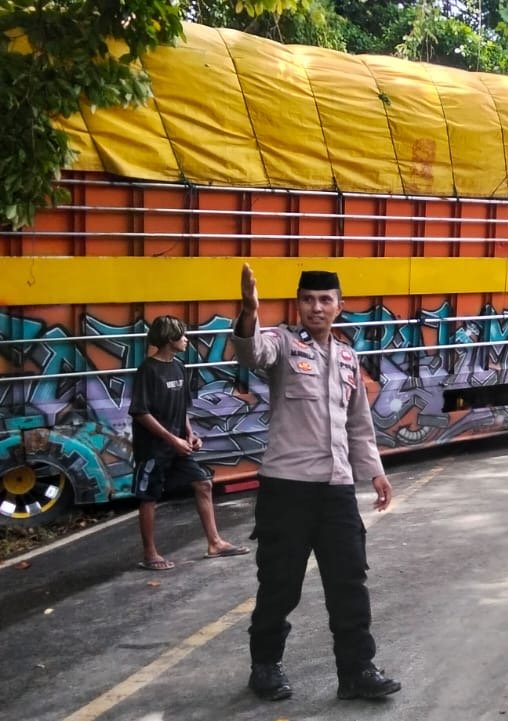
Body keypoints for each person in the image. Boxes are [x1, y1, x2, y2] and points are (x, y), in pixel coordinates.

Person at [233, 265, 400, 702]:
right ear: (298, 304)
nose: (316, 307)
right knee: (280, 584)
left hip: (337, 489)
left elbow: (358, 423)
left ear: (339, 306)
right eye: (308, 299)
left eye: (325, 300)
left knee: (349, 583)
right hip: (287, 488)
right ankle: (265, 666)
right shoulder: (283, 344)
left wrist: (375, 471)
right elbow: (252, 352)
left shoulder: (346, 357)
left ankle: (356, 672)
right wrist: (249, 311)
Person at [131, 315, 249, 572]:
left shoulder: (178, 367)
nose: (186, 339)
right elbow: (141, 412)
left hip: (178, 445)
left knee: (203, 483)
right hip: (153, 448)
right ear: (169, 339)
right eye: (182, 335)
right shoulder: (148, 370)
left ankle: (215, 543)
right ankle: (150, 554)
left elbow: (182, 407)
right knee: (149, 497)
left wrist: (189, 434)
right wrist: (172, 439)